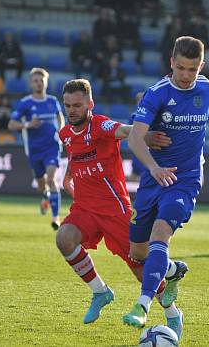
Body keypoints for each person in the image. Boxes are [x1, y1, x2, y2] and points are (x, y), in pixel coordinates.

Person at [55, 78, 183, 333]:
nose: (72, 110)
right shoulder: (65, 134)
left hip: (115, 211)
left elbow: (124, 130)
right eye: (68, 105)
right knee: (64, 239)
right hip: (85, 209)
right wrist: (69, 177)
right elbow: (74, 155)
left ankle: (172, 314)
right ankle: (100, 292)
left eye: (77, 105)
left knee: (140, 269)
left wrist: (143, 135)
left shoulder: (100, 125)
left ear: (90, 104)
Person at [122, 36, 209, 336]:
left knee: (161, 233)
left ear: (201, 65)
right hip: (154, 178)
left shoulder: (207, 89)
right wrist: (153, 167)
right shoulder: (156, 94)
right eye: (180, 68)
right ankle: (171, 271)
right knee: (138, 253)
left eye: (192, 69)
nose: (186, 75)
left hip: (185, 179)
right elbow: (135, 138)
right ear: (170, 63)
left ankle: (142, 305)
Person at [8, 68, 65, 229]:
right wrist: (27, 124)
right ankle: (46, 197)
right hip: (34, 150)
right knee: (41, 185)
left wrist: (60, 131)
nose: (38, 83)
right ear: (30, 84)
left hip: (52, 147)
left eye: (41, 80)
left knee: (51, 179)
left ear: (46, 82)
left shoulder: (52, 101)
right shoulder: (26, 103)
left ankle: (55, 218)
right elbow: (11, 124)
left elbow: (60, 117)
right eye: (35, 81)